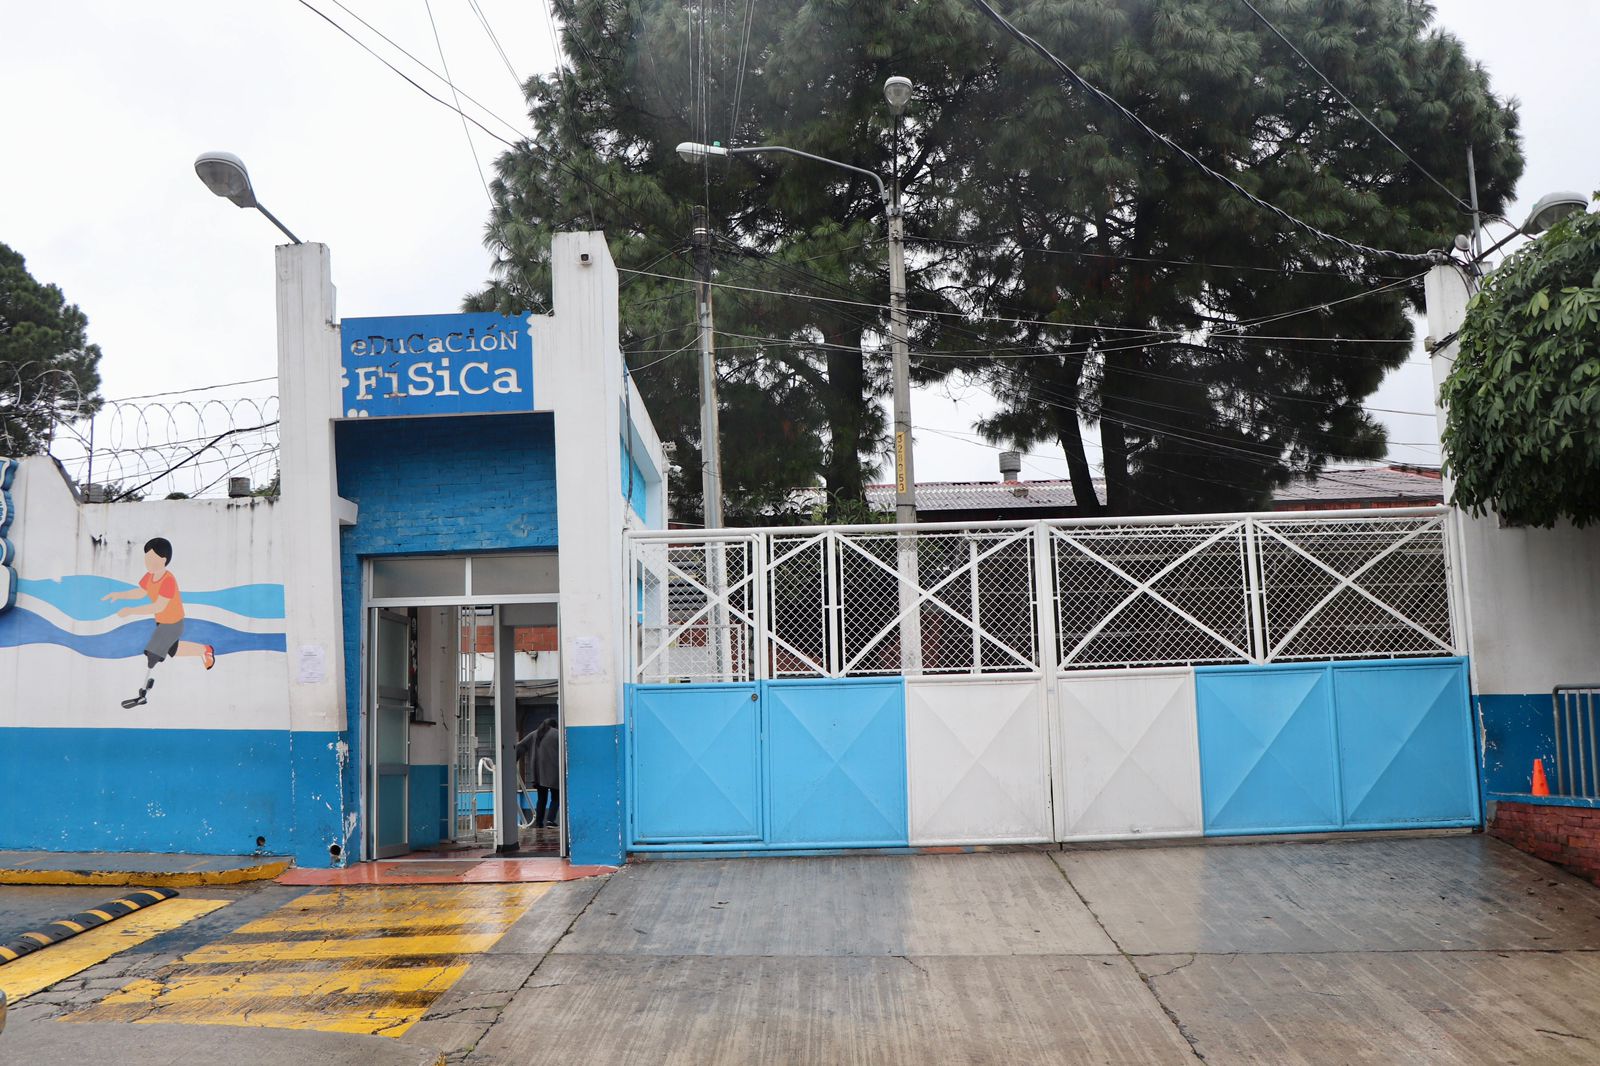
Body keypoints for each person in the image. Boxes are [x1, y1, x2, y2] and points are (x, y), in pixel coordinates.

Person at [101, 537, 215, 708]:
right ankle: (205, 650)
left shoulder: (168, 580)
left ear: (163, 559)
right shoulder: (150, 576)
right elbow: (140, 592)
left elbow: (158, 606)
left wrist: (131, 611)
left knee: (153, 653)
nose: (148, 562)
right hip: (161, 622)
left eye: (152, 559)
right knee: (174, 650)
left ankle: (142, 695)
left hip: (173, 623)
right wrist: (119, 595)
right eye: (146, 558)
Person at [533, 718, 560, 830]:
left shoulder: (535, 734)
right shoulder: (557, 734)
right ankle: (550, 820)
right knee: (556, 797)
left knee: (541, 799)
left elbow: (520, 746)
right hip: (554, 772)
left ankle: (538, 823)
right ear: (555, 726)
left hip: (539, 774)